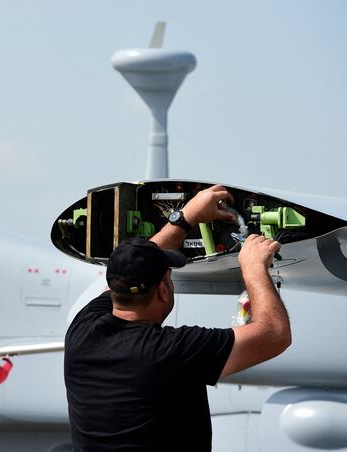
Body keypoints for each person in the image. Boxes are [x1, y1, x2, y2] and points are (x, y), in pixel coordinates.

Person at [64, 185, 292, 451]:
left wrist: (186, 217)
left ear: (115, 288)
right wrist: (254, 267)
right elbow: (274, 334)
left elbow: (137, 262)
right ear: (163, 290)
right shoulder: (171, 351)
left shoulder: (82, 331)